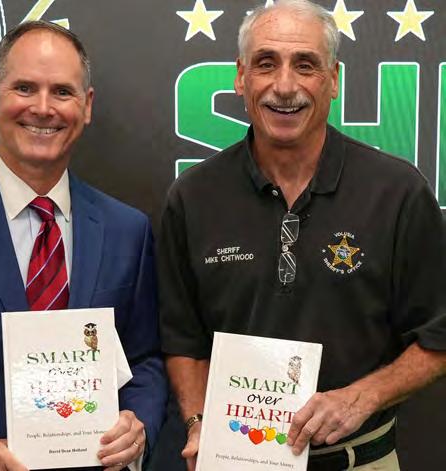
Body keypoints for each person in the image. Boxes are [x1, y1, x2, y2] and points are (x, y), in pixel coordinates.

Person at [157, 1, 446, 470]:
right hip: (236, 458)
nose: (285, 86)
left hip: (359, 460)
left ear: (334, 79)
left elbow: (438, 334)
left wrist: (364, 395)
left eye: (305, 65)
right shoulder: (193, 197)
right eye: (265, 63)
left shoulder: (397, 192)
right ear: (241, 77)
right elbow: (182, 339)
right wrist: (198, 421)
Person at [0, 21, 167, 471]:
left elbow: (145, 361)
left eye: (62, 92)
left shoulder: (127, 230)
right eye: (24, 88)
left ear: (87, 106)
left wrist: (138, 426)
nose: (42, 108)